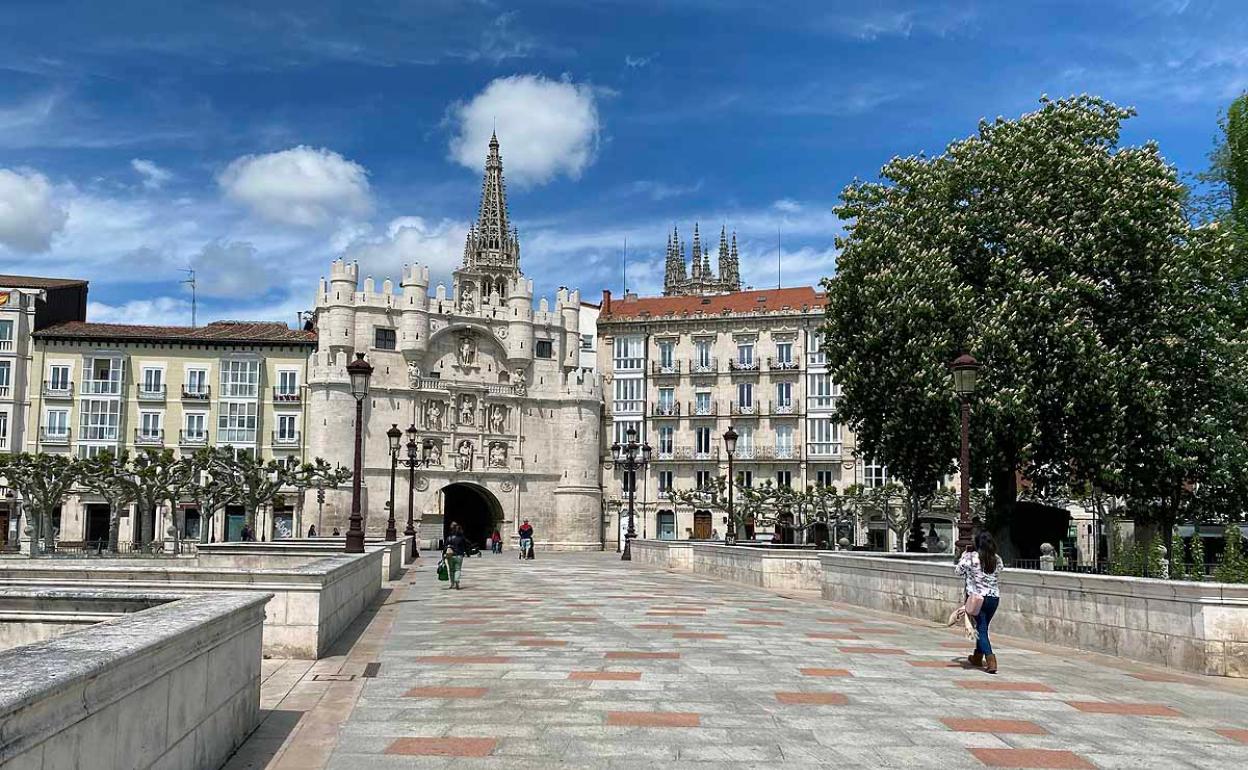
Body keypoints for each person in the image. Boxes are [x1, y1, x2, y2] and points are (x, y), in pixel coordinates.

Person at [956, 531, 1004, 674]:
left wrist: (964, 556)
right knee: (982, 627)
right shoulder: (996, 558)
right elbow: (1000, 570)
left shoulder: (971, 558)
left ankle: (991, 660)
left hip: (977, 599)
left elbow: (958, 571)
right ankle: (977, 656)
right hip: (994, 598)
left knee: (981, 629)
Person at [445, 522, 468, 589]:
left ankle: (452, 584)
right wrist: (467, 553)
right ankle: (457, 580)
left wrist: (444, 554)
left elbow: (445, 547)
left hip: (450, 555)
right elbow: (465, 545)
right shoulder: (461, 538)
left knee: (451, 570)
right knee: (458, 569)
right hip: (459, 555)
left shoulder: (449, 538)